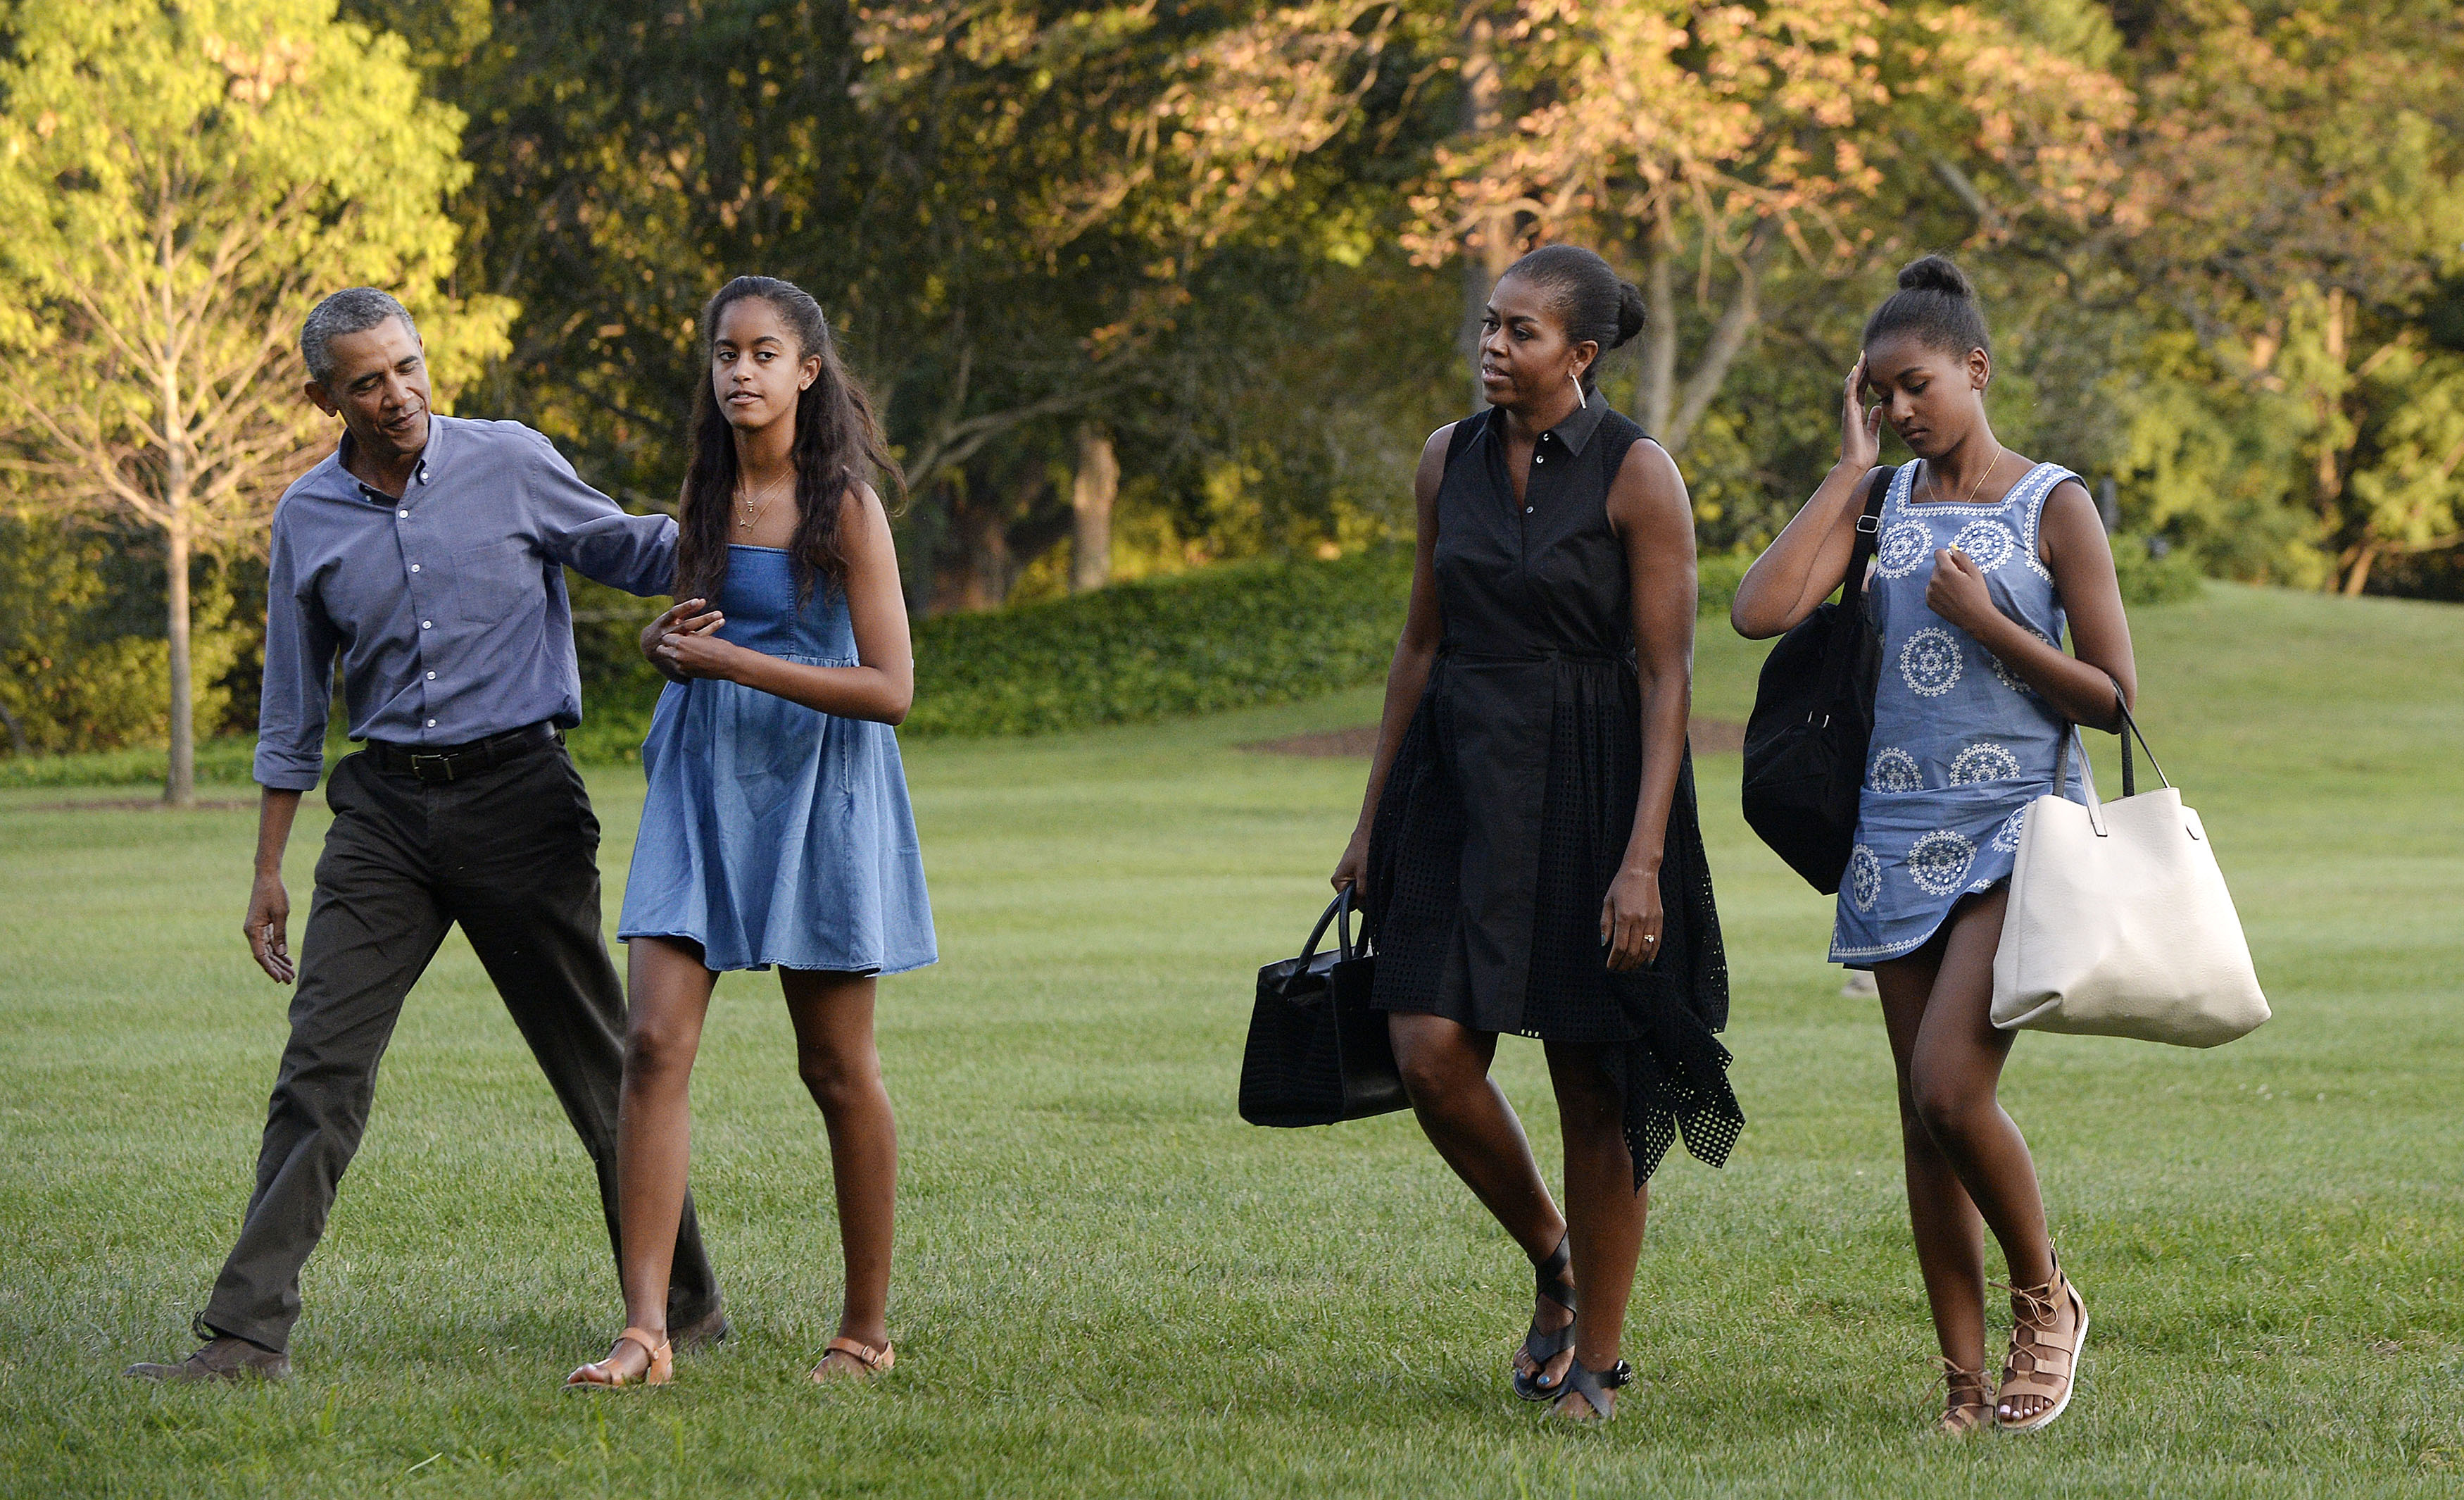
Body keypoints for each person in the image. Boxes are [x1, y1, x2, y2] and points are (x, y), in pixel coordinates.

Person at [126, 287, 724, 1383]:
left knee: (601, 1063)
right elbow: (293, 706)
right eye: (367, 381)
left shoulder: (512, 460)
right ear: (325, 398)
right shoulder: (307, 516)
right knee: (319, 1063)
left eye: (407, 365)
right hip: (385, 820)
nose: (397, 393)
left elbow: (642, 552)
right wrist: (267, 867)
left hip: (524, 803)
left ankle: (685, 1304)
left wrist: (771, 515)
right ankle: (247, 1333)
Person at [1331, 244, 1742, 1423]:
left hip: (1595, 786)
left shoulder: (1638, 473)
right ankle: (1555, 1255)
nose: (1493, 346)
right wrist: (1370, 821)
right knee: (1426, 1050)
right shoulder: (1445, 458)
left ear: (1581, 354)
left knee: (1594, 1081)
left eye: (1520, 331)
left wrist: (1642, 860)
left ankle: (1597, 1362)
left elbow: (1667, 678)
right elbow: (1420, 640)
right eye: (1490, 325)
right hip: (1457, 778)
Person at [1730, 256, 2133, 1433]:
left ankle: (2045, 1297)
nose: (1902, 408)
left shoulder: (2054, 504)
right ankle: (1962, 1383)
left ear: (1976, 368)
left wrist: (1990, 623)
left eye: (1918, 385)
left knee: (1953, 1090)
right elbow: (1760, 610)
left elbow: (2114, 698)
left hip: (2017, 832)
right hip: (1892, 834)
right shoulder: (1879, 499)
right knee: (1921, 1119)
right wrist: (1847, 470)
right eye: (1881, 392)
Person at [562, 277, 934, 1390]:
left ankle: (863, 1329)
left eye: (765, 353)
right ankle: (646, 1330)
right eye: (726, 353)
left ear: (808, 372)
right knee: (651, 1044)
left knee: (835, 1066)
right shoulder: (705, 496)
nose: (741, 372)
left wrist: (734, 661)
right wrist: (665, 648)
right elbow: (695, 636)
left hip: (819, 790)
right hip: (700, 784)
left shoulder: (848, 509)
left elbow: (891, 687)